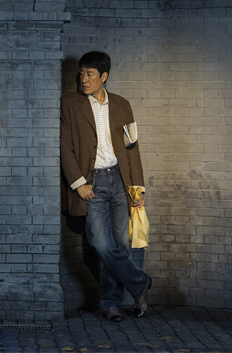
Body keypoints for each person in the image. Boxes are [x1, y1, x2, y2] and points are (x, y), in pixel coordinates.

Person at [60, 51, 151, 322]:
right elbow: (64, 147)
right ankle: (140, 283)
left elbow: (132, 148)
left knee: (120, 245)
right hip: (92, 183)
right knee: (101, 244)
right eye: (81, 73)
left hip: (120, 181)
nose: (83, 79)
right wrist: (79, 184)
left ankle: (110, 304)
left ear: (104, 76)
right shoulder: (69, 104)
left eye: (89, 74)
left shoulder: (123, 105)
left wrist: (137, 187)